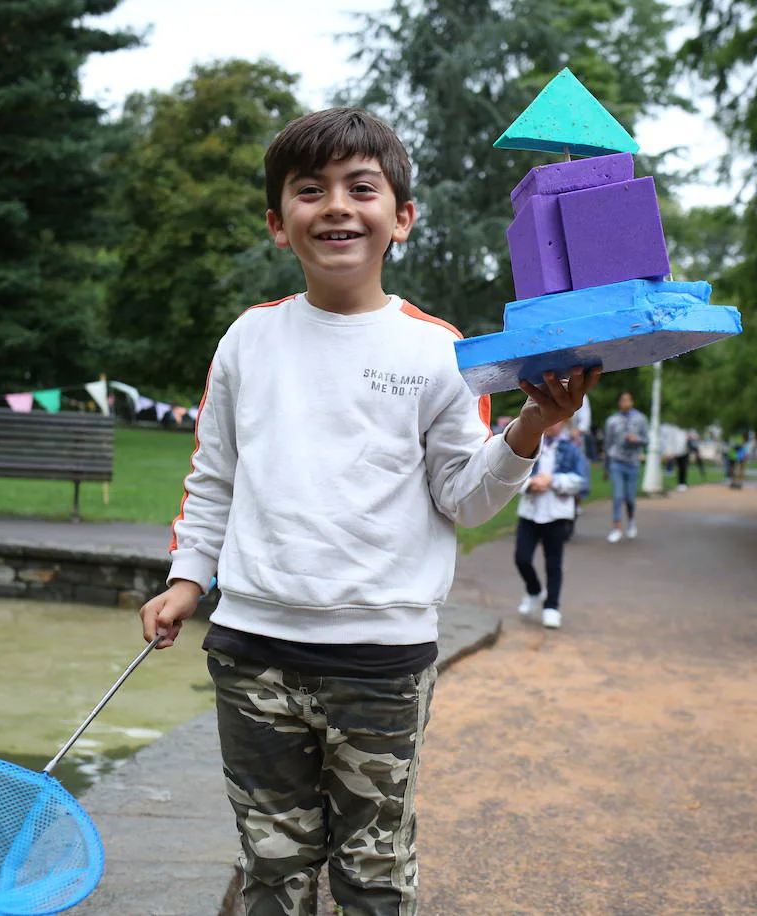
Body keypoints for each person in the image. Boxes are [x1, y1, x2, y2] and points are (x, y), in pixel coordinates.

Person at [137, 108, 597, 916]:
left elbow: (464, 493)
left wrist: (530, 428)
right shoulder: (247, 340)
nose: (338, 207)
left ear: (402, 218)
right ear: (280, 224)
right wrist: (187, 579)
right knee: (272, 868)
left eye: (362, 188)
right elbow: (214, 478)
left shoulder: (438, 351)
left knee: (373, 873)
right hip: (252, 653)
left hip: (381, 661)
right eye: (310, 191)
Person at [515, 418, 590, 629]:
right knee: (522, 558)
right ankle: (534, 591)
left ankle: (552, 606)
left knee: (553, 562)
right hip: (530, 512)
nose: (552, 424)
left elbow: (581, 480)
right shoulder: (530, 445)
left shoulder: (571, 450)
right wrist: (531, 484)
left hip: (556, 514)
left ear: (564, 423)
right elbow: (514, 474)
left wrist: (553, 481)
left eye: (557, 421)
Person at [603, 391, 647, 542]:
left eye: (628, 399)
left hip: (633, 463)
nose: (625, 402)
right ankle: (616, 527)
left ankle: (631, 521)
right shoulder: (612, 421)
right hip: (617, 461)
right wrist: (606, 467)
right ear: (619, 403)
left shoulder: (640, 419)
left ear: (632, 402)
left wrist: (637, 439)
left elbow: (646, 440)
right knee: (617, 496)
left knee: (629, 498)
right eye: (623, 400)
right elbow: (608, 444)